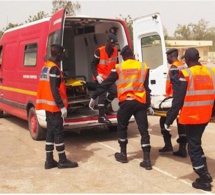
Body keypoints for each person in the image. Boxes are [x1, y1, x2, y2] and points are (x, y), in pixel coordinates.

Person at [89, 45, 152, 170]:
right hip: (140, 103)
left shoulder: (119, 67)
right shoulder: (144, 66)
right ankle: (147, 160)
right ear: (133, 55)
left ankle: (123, 154)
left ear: (122, 57)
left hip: (126, 104)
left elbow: (106, 84)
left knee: (122, 128)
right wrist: (148, 105)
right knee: (144, 130)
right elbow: (146, 88)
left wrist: (94, 97)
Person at [165, 48, 215, 191]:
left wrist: (169, 119)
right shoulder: (211, 72)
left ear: (187, 59)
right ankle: (204, 171)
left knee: (192, 147)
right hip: (205, 116)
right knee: (196, 143)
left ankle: (204, 179)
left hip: (192, 116)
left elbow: (178, 99)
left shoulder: (186, 74)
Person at [36, 44, 78, 169]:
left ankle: (49, 161)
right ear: (58, 54)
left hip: (48, 107)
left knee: (50, 133)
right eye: (62, 54)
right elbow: (54, 90)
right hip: (54, 108)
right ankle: (62, 160)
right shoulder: (54, 69)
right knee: (58, 133)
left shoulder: (46, 67)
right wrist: (62, 107)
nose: (62, 57)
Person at [159, 48, 188, 158]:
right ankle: (182, 149)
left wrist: (175, 101)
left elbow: (176, 86)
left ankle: (168, 145)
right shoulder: (183, 65)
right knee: (181, 124)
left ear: (171, 56)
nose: (167, 58)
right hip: (181, 98)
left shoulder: (174, 67)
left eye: (167, 56)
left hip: (174, 99)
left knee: (163, 120)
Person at [91, 34, 118, 124]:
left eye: (114, 44)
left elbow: (115, 64)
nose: (113, 46)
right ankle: (101, 116)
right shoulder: (99, 51)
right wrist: (97, 76)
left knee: (114, 92)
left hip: (109, 78)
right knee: (102, 95)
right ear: (107, 42)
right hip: (100, 77)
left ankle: (104, 106)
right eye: (112, 44)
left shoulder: (115, 51)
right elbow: (93, 65)